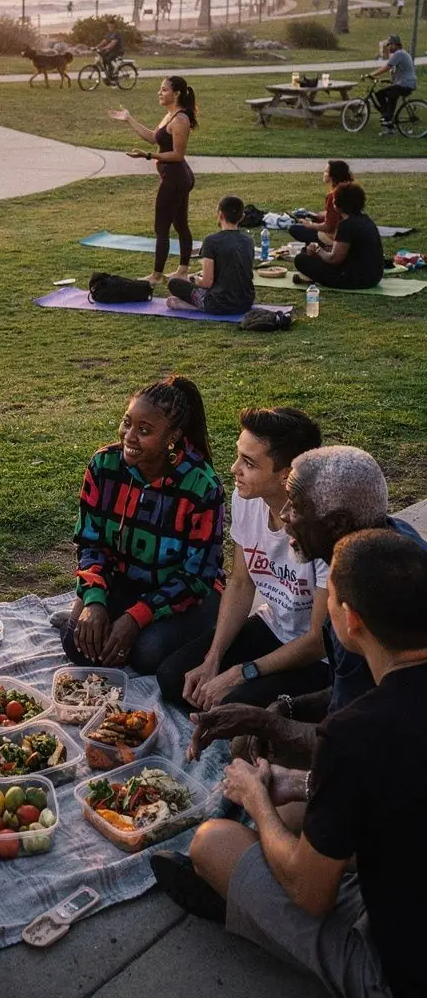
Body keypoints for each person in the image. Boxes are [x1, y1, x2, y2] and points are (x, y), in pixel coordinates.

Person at [152, 529, 427, 998]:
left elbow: (309, 892)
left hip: (399, 973)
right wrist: (302, 783)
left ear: (350, 621)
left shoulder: (358, 731)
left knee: (214, 842)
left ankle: (245, 910)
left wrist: (256, 797)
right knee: (298, 814)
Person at [188, 444, 427, 767]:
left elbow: (354, 741)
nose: (284, 516)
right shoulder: (380, 546)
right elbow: (355, 696)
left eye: (296, 506)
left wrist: (266, 723)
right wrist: (286, 707)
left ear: (338, 524)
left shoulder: (364, 601)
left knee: (252, 758)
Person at [157, 407, 327, 709]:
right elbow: (240, 581)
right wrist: (214, 658)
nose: (235, 468)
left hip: (319, 656)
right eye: (239, 455)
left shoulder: (321, 527)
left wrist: (242, 673)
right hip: (273, 626)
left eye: (248, 462)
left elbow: (319, 640)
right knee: (174, 678)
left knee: (233, 704)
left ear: (286, 474)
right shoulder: (246, 499)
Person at [59, 376, 226, 674]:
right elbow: (89, 542)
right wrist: (95, 600)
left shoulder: (202, 486)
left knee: (147, 653)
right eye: (127, 422)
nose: (129, 436)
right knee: (79, 643)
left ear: (172, 438)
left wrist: (135, 617)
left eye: (144, 430)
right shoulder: (103, 467)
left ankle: (216, 627)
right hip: (124, 579)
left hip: (186, 593)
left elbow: (198, 576)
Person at [111, 75, 197, 284]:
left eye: (164, 90)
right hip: (175, 177)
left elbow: (178, 155)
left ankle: (158, 275)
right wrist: (129, 118)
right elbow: (152, 137)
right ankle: (182, 271)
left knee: (162, 227)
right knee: (179, 225)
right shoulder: (170, 115)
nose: (160, 93)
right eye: (160, 89)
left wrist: (148, 156)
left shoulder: (181, 120)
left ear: (176, 94)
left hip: (176, 178)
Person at [166, 195, 255, 314]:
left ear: (220, 214)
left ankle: (196, 305)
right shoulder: (248, 241)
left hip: (219, 303)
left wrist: (194, 279)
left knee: (174, 283)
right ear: (242, 217)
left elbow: (207, 283)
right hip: (246, 302)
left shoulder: (211, 241)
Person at [293, 181, 384, 291]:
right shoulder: (366, 219)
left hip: (356, 279)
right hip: (374, 276)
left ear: (337, 204)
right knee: (307, 253)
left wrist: (317, 249)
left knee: (301, 259)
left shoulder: (346, 224)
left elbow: (334, 259)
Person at [288, 159, 353, 246]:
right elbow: (338, 215)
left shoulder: (333, 196)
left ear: (333, 175)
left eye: (326, 171)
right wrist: (319, 216)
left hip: (335, 237)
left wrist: (310, 225)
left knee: (294, 229)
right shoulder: (351, 189)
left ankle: (320, 246)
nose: (324, 172)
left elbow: (328, 227)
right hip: (350, 232)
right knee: (313, 219)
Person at [367, 34, 417, 131]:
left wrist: (372, 75)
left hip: (406, 84)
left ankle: (388, 118)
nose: (388, 47)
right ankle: (387, 117)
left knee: (389, 94)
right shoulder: (402, 54)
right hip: (405, 83)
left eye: (390, 45)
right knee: (381, 93)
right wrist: (390, 80)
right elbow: (399, 72)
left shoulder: (399, 54)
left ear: (395, 44)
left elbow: (387, 67)